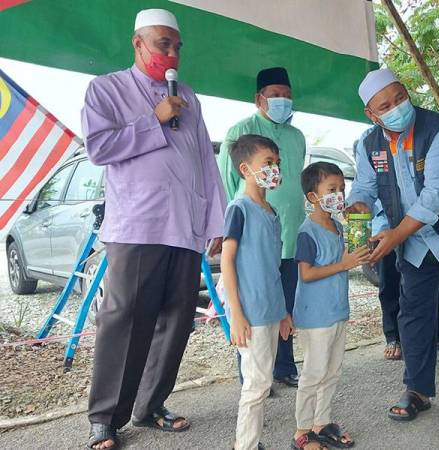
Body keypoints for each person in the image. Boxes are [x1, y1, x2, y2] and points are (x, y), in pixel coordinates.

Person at [81, 9, 226, 449]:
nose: (171, 52)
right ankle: (106, 418)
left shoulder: (189, 96)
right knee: (124, 320)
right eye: (163, 43)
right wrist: (155, 118)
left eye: (177, 45)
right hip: (138, 225)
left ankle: (150, 405)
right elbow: (99, 147)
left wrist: (215, 219)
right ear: (138, 43)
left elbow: (205, 159)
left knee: (177, 320)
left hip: (185, 225)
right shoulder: (106, 89)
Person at [347, 68, 439, 432]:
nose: (397, 107)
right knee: (413, 315)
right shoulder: (369, 145)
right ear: (372, 113)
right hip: (415, 241)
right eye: (386, 105)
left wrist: (393, 236)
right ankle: (418, 389)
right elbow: (365, 189)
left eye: (400, 98)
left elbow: (434, 198)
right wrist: (358, 211)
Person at [218, 67, 305, 387]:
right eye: (275, 95)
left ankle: (283, 367)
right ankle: (253, 376)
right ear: (259, 99)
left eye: (287, 94)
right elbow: (227, 185)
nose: (282, 100)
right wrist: (228, 231)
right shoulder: (241, 132)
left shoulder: (297, 136)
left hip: (289, 232)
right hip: (252, 240)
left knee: (284, 304)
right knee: (253, 305)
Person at [220, 134, 294, 450]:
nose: (274, 169)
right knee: (257, 383)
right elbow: (227, 260)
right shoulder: (240, 209)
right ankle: (246, 445)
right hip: (250, 311)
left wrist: (283, 313)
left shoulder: (271, 212)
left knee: (261, 382)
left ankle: (250, 441)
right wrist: (236, 313)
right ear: (245, 169)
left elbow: (272, 268)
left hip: (269, 310)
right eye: (267, 163)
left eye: (276, 163)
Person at [292, 162, 368, 450]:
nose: (339, 195)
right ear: (313, 197)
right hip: (316, 317)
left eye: (341, 189)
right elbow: (307, 274)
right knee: (313, 373)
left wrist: (359, 218)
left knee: (332, 371)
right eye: (332, 190)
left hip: (337, 312)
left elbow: (357, 252)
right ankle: (302, 431)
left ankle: (321, 423)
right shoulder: (307, 232)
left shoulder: (338, 226)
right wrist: (344, 264)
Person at [372, 207, 439, 361]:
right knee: (389, 284)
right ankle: (393, 338)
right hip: (385, 227)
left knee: (432, 284)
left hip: (419, 229)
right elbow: (364, 192)